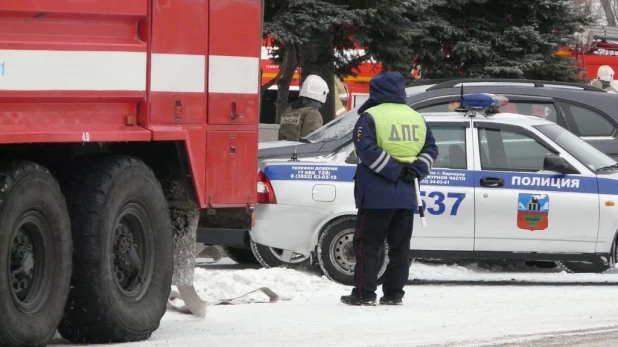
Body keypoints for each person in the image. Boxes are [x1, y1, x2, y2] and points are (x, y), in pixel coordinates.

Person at [340, 71, 438, 306]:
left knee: (367, 245)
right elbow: (431, 150)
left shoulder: (370, 116)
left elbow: (366, 150)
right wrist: (414, 170)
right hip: (406, 194)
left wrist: (394, 170)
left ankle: (364, 294)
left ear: (376, 92)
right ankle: (394, 294)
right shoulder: (416, 117)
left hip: (376, 194)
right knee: (400, 248)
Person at [278, 74, 329, 141]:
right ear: (322, 93)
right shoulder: (313, 114)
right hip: (299, 151)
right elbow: (312, 141)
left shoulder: (289, 110)